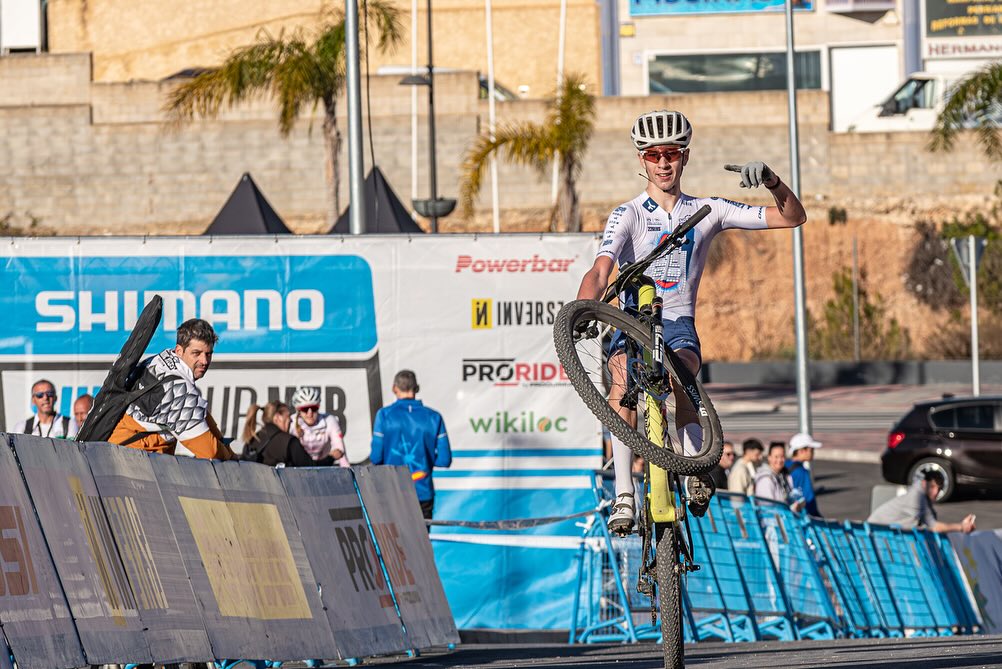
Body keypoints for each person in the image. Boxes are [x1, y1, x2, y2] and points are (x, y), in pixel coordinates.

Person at [575, 109, 808, 533]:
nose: (663, 163)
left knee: (683, 374)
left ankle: (692, 471)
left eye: (672, 153)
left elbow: (792, 218)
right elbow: (600, 270)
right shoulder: (627, 214)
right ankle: (624, 492)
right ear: (642, 159)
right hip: (633, 321)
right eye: (654, 155)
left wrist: (773, 181)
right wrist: (583, 308)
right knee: (621, 377)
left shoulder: (708, 209)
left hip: (678, 322)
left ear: (685, 156)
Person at [109, 318, 234, 460]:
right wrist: (231, 458)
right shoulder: (179, 390)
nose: (204, 361)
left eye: (208, 354)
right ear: (179, 350)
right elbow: (211, 453)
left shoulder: (160, 359)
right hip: (129, 460)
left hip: (113, 447)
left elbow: (198, 412)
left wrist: (222, 441)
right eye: (196, 353)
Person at [370, 370, 452, 519]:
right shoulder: (434, 417)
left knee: (394, 535)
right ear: (417, 388)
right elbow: (444, 460)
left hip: (392, 490)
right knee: (422, 535)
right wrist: (425, 458)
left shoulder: (384, 415)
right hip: (422, 492)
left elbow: (376, 458)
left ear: (394, 388)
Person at [868, 470, 976, 534]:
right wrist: (961, 527)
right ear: (924, 483)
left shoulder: (923, 497)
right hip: (872, 533)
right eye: (932, 486)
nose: (936, 492)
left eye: (939, 489)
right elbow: (934, 527)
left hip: (883, 533)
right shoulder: (916, 496)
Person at [241, 400, 323, 467]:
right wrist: (328, 458)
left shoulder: (251, 440)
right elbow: (311, 469)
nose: (291, 420)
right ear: (277, 417)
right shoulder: (289, 442)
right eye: (288, 416)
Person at [288, 386, 350, 467]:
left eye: (314, 408)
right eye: (305, 409)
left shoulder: (330, 420)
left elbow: (340, 451)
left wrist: (348, 472)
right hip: (298, 468)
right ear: (298, 410)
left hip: (325, 467)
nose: (310, 413)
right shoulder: (291, 423)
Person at [13, 379, 78, 439]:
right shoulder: (22, 427)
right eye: (40, 395)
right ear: (33, 400)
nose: (45, 398)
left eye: (49, 394)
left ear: (55, 397)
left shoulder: (70, 424)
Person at [754, 442, 805, 512]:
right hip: (773, 518)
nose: (780, 460)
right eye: (776, 457)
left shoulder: (785, 475)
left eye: (782, 456)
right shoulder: (765, 479)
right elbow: (768, 509)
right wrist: (791, 510)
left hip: (785, 516)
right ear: (769, 458)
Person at [786, 432, 822, 517]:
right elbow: (809, 500)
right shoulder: (802, 472)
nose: (813, 452)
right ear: (801, 451)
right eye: (811, 450)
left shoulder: (785, 465)